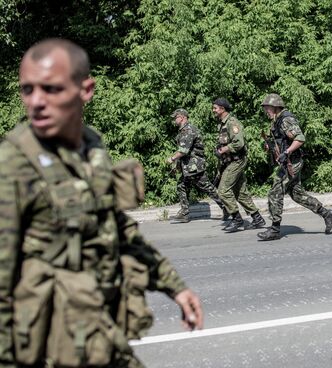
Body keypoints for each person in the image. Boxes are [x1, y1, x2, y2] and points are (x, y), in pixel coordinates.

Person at [0, 38, 203, 368]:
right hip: (46, 350)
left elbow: (117, 229)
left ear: (86, 90)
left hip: (97, 334)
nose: (36, 102)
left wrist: (174, 287)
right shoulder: (13, 163)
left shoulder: (91, 147)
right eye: (27, 89)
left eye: (51, 89)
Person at [257, 93, 332, 241]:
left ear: (275, 107)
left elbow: (300, 138)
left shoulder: (286, 120)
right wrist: (270, 146)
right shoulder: (276, 121)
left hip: (292, 162)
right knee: (297, 194)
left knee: (275, 192)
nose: (265, 111)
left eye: (267, 107)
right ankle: (327, 213)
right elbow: (281, 141)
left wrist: (286, 152)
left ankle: (274, 229)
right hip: (288, 161)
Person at [212, 97, 266, 232]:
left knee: (223, 191)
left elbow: (239, 143)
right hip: (229, 162)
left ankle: (237, 219)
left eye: (215, 108)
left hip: (237, 161)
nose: (213, 110)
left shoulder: (232, 122)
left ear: (222, 109)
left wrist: (223, 150)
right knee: (240, 193)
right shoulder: (222, 123)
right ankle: (257, 218)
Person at [167, 108, 227, 223]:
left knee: (207, 187)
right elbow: (185, 152)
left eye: (176, 117)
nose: (174, 120)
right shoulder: (184, 130)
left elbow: (183, 150)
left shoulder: (189, 130)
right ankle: (184, 213)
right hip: (189, 167)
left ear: (182, 117)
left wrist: (172, 158)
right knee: (182, 186)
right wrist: (178, 165)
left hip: (194, 167)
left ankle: (227, 207)